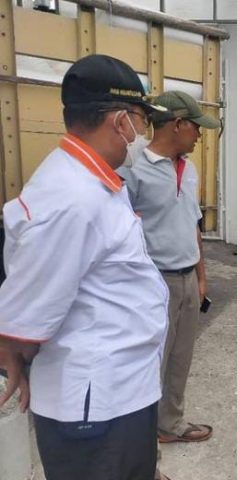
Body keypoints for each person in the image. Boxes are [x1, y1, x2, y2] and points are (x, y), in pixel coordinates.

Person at [0, 54, 169, 480]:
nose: (143, 134)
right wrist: (12, 351)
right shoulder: (72, 197)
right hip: (96, 409)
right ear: (119, 122)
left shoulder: (92, 182)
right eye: (141, 120)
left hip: (119, 394)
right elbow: (26, 312)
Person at [118, 91, 220, 451]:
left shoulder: (187, 169)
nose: (199, 135)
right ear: (177, 124)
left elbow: (193, 223)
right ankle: (139, 439)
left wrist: (201, 273)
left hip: (188, 279)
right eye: (196, 127)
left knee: (181, 356)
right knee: (149, 362)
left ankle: (170, 423)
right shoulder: (133, 170)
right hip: (153, 281)